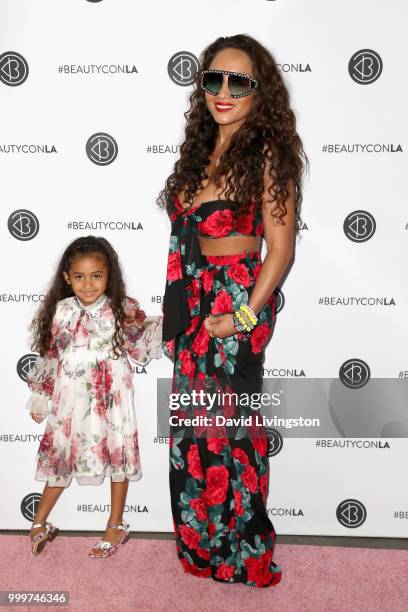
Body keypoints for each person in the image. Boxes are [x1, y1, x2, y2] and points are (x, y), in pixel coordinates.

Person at [159, 34, 308, 587]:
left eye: (238, 82)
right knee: (195, 435)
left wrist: (244, 317)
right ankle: (202, 549)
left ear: (258, 91)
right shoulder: (201, 151)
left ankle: (243, 553)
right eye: (213, 79)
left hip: (234, 309)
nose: (223, 92)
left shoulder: (268, 153)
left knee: (234, 436)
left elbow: (282, 249)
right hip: (194, 309)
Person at [26, 236, 162, 558]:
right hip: (70, 400)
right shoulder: (60, 311)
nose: (88, 284)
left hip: (111, 398)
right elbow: (51, 356)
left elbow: (141, 343)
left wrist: (171, 322)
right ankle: (41, 522)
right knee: (61, 458)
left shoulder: (121, 309)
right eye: (80, 277)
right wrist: (40, 397)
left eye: (96, 276)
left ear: (108, 276)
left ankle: (115, 525)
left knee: (118, 459)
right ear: (67, 278)